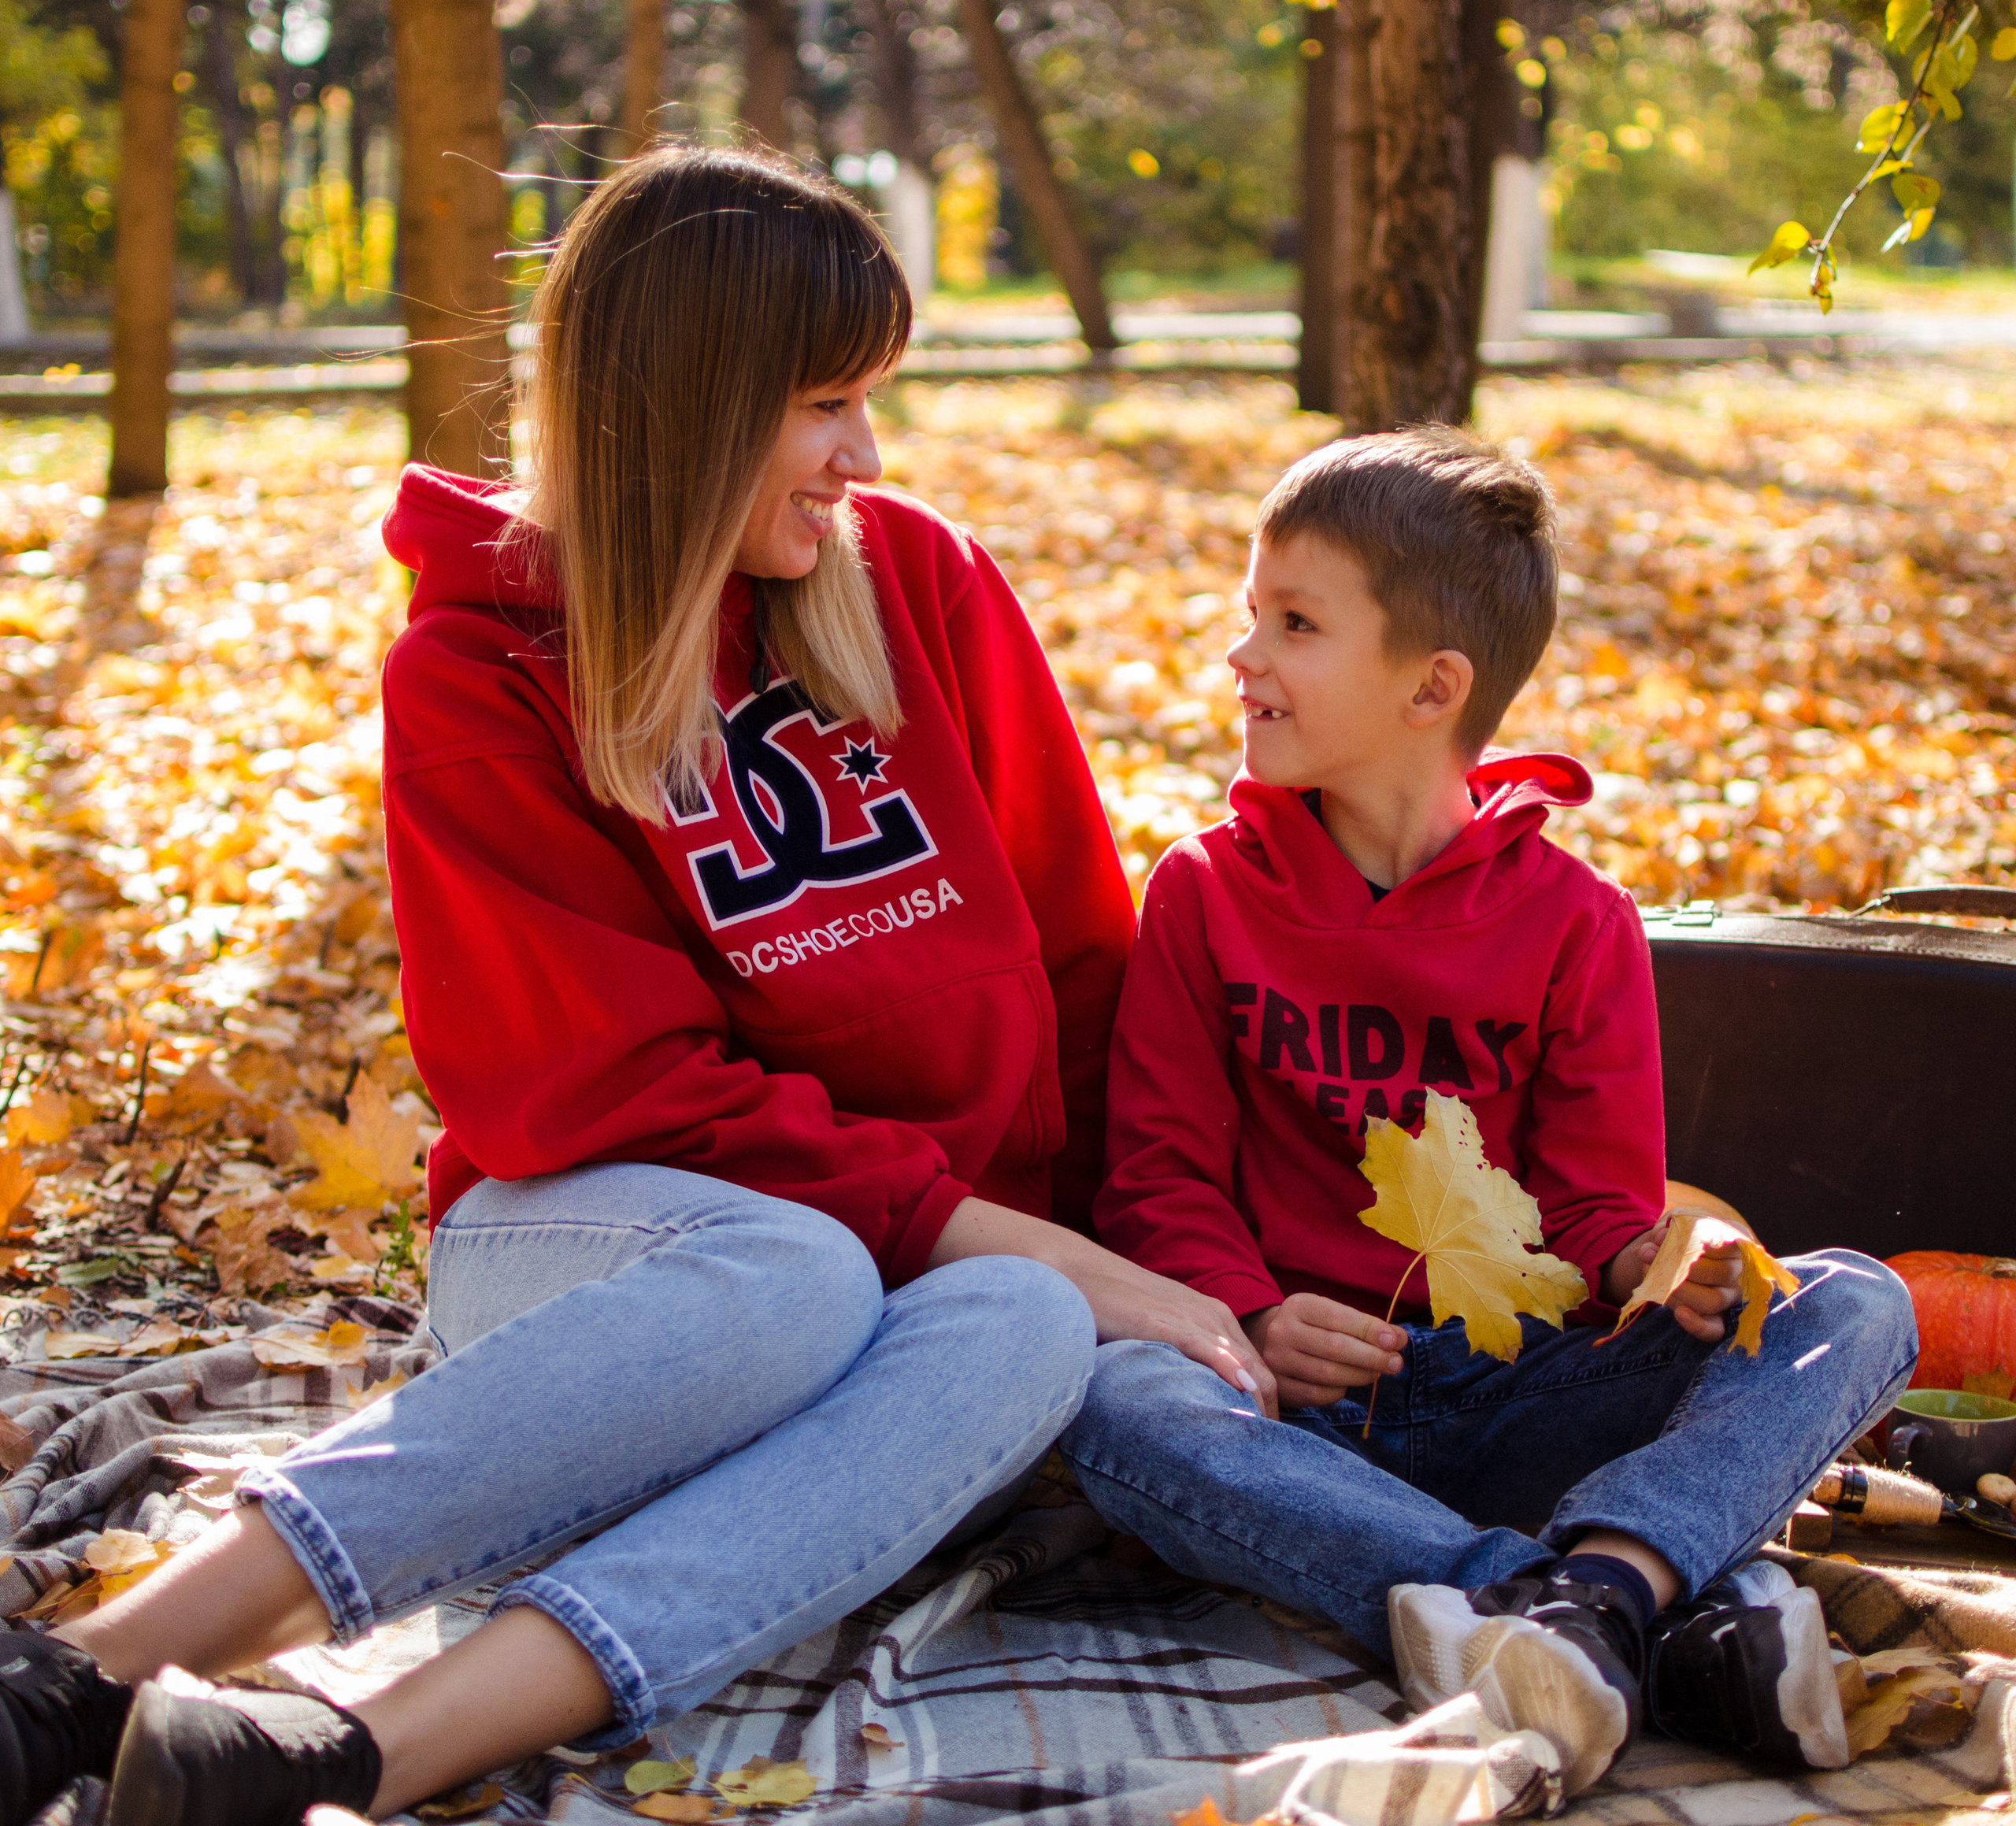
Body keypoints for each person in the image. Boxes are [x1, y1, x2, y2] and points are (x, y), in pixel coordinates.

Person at [0, 148, 1272, 1826]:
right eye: (824, 403)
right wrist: (1011, 1232)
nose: (864, 455)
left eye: (869, 401)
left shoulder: (919, 587)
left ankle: (337, 1757)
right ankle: (81, 1683)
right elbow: (609, 1090)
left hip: (909, 1316)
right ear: (688, 401)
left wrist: (1149, 1271)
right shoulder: (479, 670)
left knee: (1026, 1320)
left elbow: (1082, 967)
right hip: (613, 1261)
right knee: (798, 1266)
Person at [1058, 427, 1919, 1797]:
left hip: (1528, 1392)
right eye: (1249, 617)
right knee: (1114, 1400)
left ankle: (1598, 1592)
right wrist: (1252, 1313)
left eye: (1293, 625)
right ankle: (1591, 1604)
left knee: (1855, 1302)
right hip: (1291, 1410)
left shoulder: (1579, 924)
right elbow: (1157, 1180)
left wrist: (1660, 1266)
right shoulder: (1205, 896)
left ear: (1432, 686)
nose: (1243, 660)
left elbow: (1592, 1214)